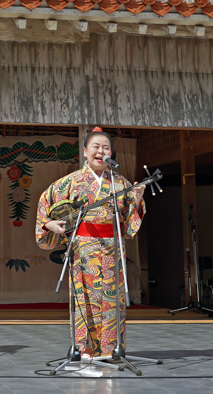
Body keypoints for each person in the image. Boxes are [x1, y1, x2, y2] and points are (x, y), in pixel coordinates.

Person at [35, 127, 145, 358]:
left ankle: (111, 349)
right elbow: (46, 204)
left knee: (112, 299)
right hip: (83, 247)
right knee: (85, 297)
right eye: (95, 147)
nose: (100, 151)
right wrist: (48, 225)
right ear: (85, 151)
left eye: (105, 148)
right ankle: (84, 348)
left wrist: (136, 201)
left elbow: (128, 224)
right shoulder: (69, 183)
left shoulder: (120, 183)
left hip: (113, 248)